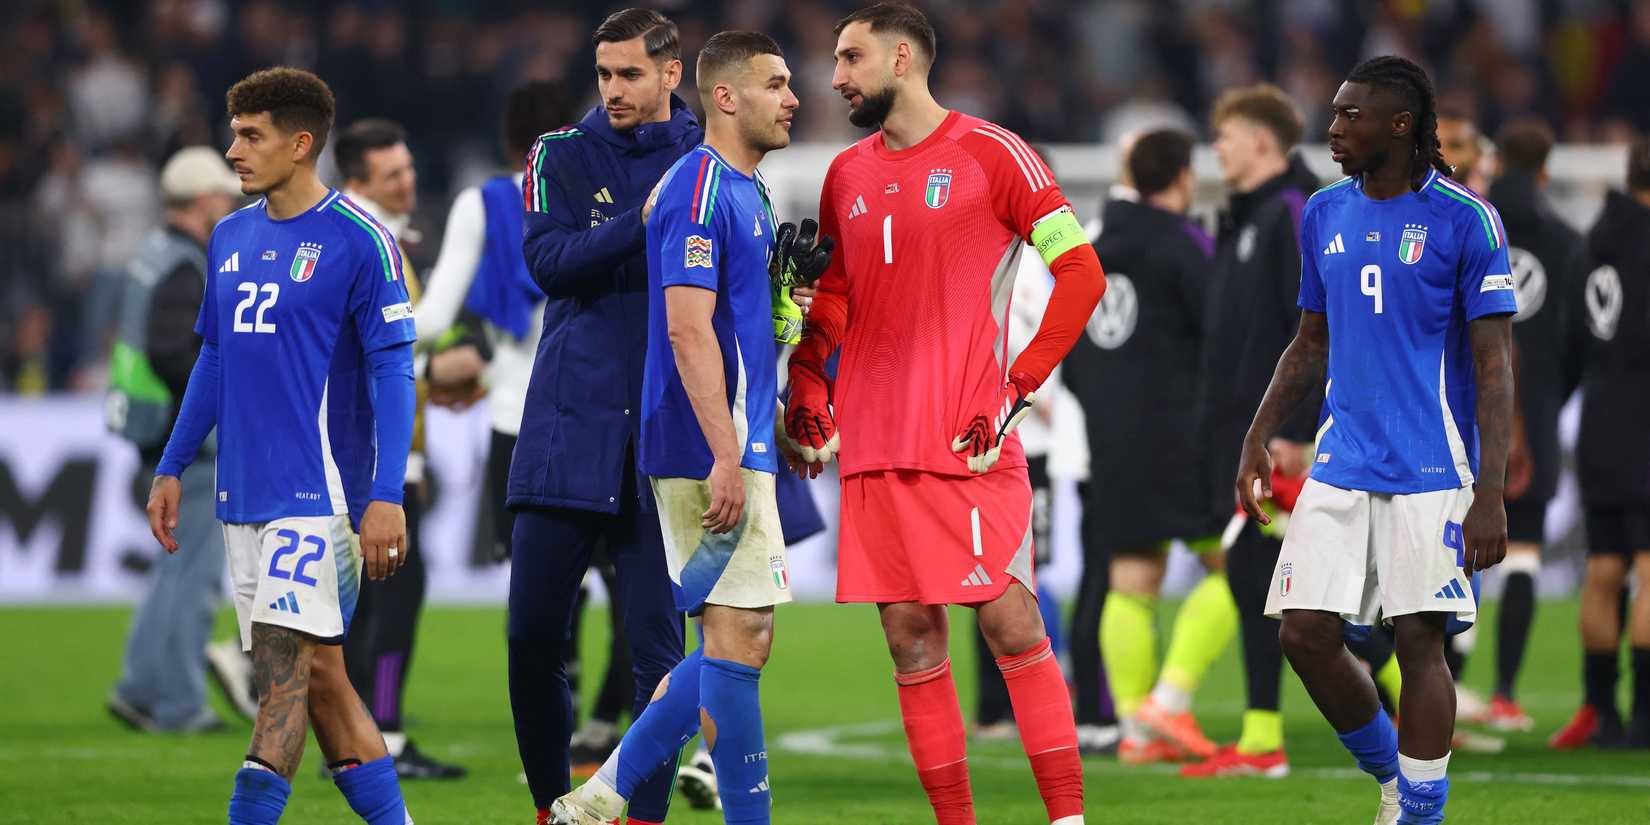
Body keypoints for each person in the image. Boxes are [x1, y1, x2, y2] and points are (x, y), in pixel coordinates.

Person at [785, 5, 1105, 823]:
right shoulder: (844, 175)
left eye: (851, 58)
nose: (836, 77)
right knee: (911, 640)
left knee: (1008, 620)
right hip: (876, 447)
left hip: (967, 437)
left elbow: (1080, 275)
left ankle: (1067, 819)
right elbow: (835, 296)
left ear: (902, 56)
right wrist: (810, 391)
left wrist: (1013, 388)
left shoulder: (992, 153)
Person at [1239, 55, 1517, 825]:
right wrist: (1258, 433)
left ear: (1400, 124)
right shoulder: (1324, 211)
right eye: (1333, 113)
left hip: (1434, 467)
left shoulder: (1466, 220)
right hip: (1342, 457)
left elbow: (1495, 368)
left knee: (1419, 639)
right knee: (1304, 632)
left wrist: (1489, 488)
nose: (1332, 128)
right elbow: (1309, 339)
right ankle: (1397, 781)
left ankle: (1420, 811)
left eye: (1348, 115)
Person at [549, 29, 816, 825]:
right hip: (706, 447)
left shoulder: (750, 191)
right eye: (776, 83)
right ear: (725, 96)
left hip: (735, 439)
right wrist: (728, 453)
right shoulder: (696, 188)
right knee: (738, 647)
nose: (794, 98)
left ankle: (602, 792)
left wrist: (777, 400)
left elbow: (744, 329)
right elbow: (687, 330)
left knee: (735, 644)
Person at [147, 66, 416, 824]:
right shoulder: (229, 236)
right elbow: (215, 357)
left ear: (300, 145)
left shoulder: (361, 241)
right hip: (241, 495)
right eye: (234, 132)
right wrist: (171, 463)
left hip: (318, 499)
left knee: (284, 680)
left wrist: (385, 492)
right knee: (325, 682)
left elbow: (395, 370)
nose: (232, 149)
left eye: (249, 135)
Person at [509, 9, 699, 823]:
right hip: (569, 429)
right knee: (530, 639)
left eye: (630, 74)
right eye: (605, 73)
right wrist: (644, 221)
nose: (614, 90)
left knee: (660, 656)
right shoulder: (559, 153)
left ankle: (644, 818)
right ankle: (553, 805)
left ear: (670, 74)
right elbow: (549, 261)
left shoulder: (707, 158)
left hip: (662, 441)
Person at [1183, 83, 1348, 779]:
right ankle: (1261, 736)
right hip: (1242, 432)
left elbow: (1315, 330)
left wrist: (1298, 427)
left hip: (1281, 437)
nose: (1216, 148)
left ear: (1261, 142)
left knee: (1312, 591)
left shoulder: (1294, 212)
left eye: (1225, 135)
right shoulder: (1244, 216)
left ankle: (1267, 738)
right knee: (1264, 580)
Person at [1062, 128, 1226, 767]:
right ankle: (1170, 700)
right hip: (1183, 435)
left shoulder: (1093, 246)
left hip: (1110, 438)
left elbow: (1069, 344)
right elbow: (1221, 337)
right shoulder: (1185, 244)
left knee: (1132, 580)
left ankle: (1135, 728)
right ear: (1183, 176)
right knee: (1244, 569)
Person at [331, 116, 468, 780]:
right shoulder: (365, 245)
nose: (409, 181)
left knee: (371, 606)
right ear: (358, 179)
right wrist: (441, 373)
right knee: (393, 602)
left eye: (409, 168)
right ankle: (378, 734)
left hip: (389, 452)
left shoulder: (377, 240)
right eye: (394, 174)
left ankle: (357, 736)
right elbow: (371, 355)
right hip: (373, 461)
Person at [106, 145, 242, 734]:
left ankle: (138, 689)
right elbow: (174, 351)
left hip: (146, 432)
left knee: (170, 573)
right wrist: (214, 406)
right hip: (182, 447)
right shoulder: (186, 265)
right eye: (223, 198)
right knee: (194, 576)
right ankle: (181, 704)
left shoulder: (153, 255)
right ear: (205, 199)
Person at [1483, 117, 1588, 733]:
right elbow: (1579, 342)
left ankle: (1437, 692)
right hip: (1538, 414)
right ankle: (1503, 693)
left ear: (1497, 163)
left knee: (1451, 559)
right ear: (1546, 170)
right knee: (1521, 554)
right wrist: (1545, 398)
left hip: (1466, 416)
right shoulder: (1567, 241)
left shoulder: (1469, 224)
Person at [1552, 138, 1650, 749]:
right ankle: (1644, 715)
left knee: (1603, 569)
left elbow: (1570, 346)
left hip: (1600, 421)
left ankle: (1598, 712)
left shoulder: (1591, 243)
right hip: (1646, 416)